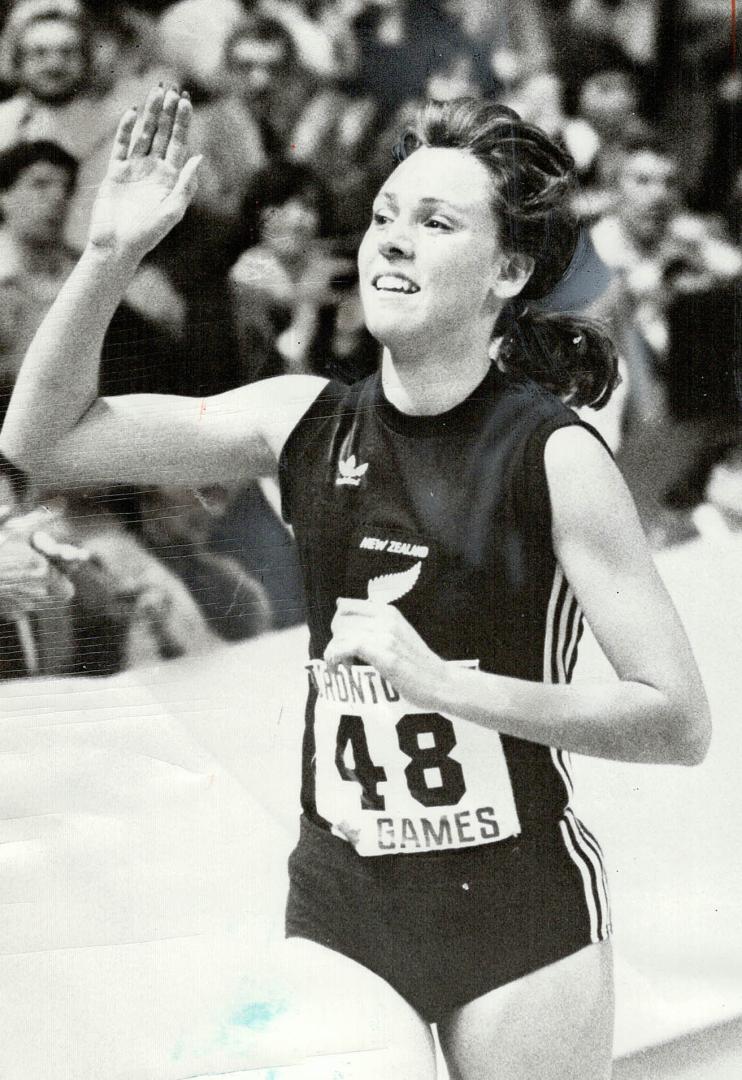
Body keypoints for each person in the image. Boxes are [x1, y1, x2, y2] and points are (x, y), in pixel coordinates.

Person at [0, 86, 711, 1079]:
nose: (391, 241)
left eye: (433, 222)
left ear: (506, 269)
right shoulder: (301, 421)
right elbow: (44, 440)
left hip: (517, 915)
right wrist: (111, 253)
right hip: (343, 902)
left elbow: (676, 721)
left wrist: (447, 688)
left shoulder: (552, 457)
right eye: (381, 217)